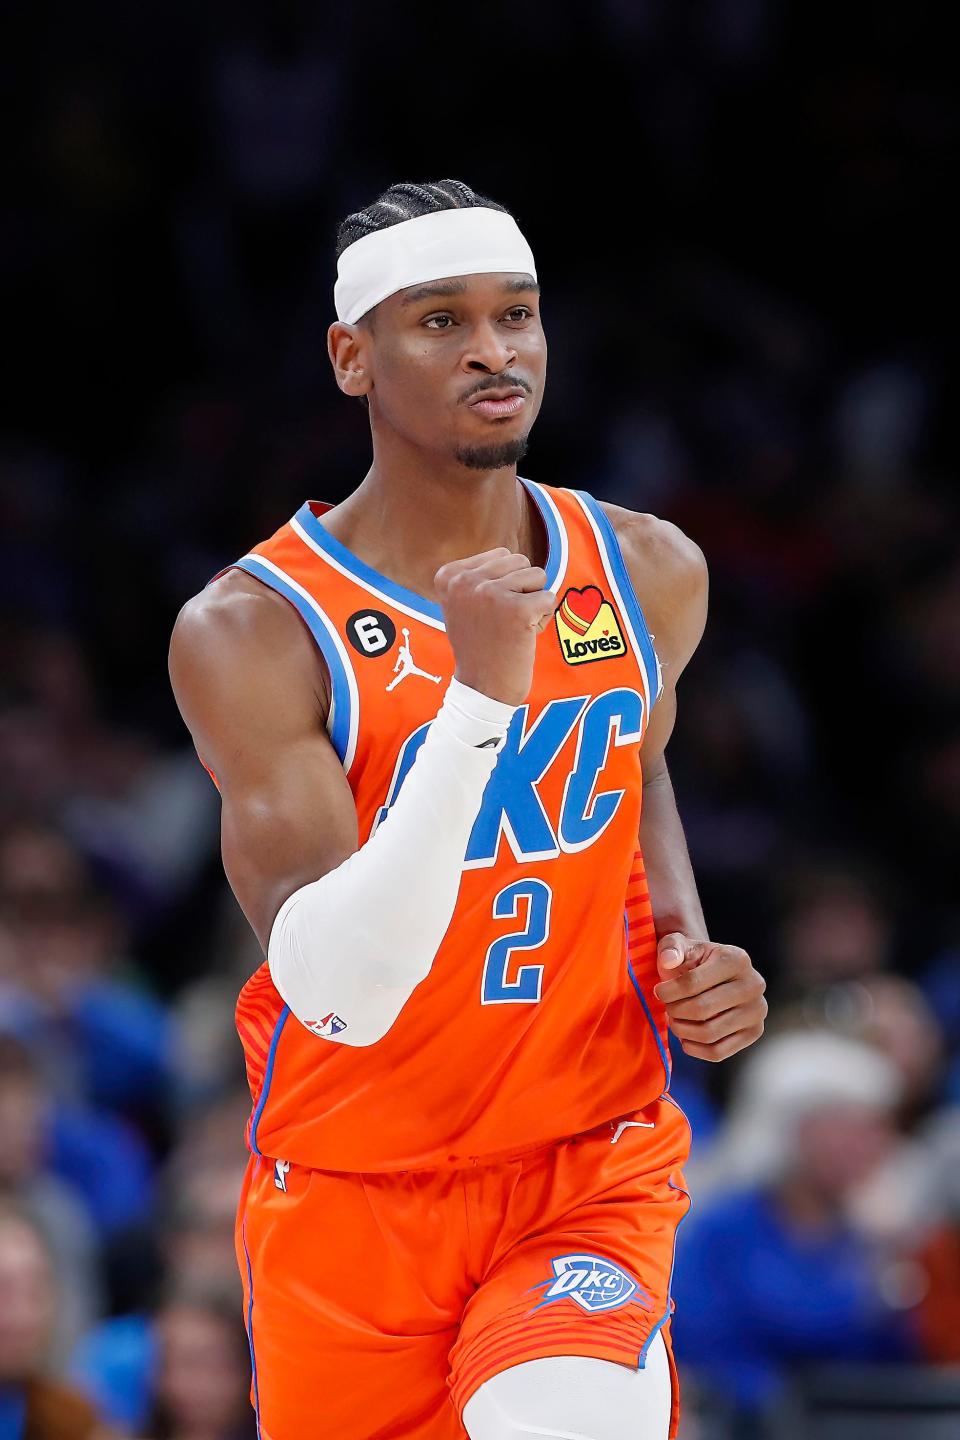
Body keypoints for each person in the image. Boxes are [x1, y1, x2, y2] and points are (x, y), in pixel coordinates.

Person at [168, 179, 768, 1440]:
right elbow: (341, 989)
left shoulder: (648, 568)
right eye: (441, 321)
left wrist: (686, 952)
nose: (495, 350)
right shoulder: (256, 629)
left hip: (584, 1160)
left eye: (517, 316)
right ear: (352, 356)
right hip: (354, 1192)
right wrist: (481, 702)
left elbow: (637, 765)